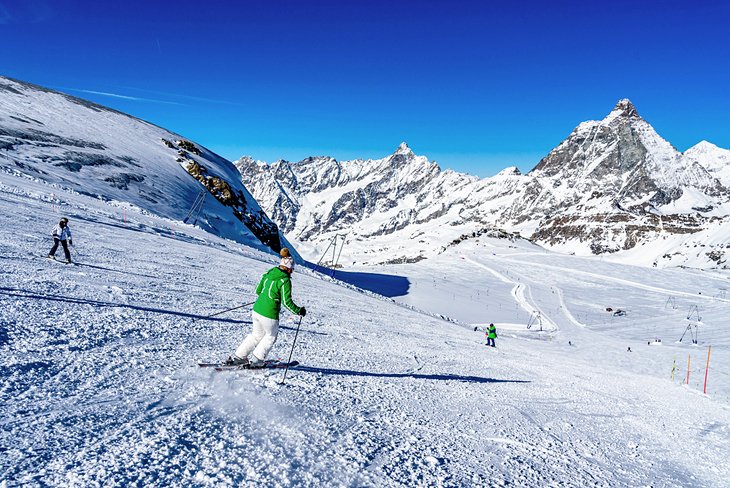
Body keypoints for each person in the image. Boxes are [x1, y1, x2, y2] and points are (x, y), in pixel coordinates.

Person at [226, 248, 306, 367]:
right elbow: (286, 302)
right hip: (269, 314)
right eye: (292, 269)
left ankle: (238, 357)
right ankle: (257, 360)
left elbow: (258, 290)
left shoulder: (269, 273)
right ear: (288, 268)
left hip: (257, 310)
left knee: (256, 335)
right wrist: (299, 311)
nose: (292, 272)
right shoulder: (284, 281)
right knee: (270, 336)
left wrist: (266, 298)